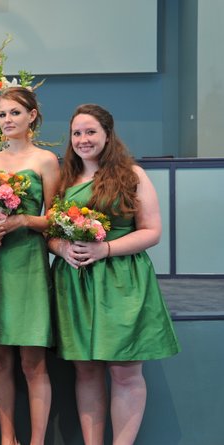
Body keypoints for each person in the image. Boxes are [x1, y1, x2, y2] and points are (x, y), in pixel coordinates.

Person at [48, 104, 180, 445]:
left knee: (124, 371)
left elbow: (151, 231)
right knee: (86, 369)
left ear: (108, 134)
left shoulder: (131, 174)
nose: (83, 139)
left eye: (90, 132)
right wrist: (61, 248)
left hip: (122, 280)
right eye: (77, 133)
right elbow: (49, 231)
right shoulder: (65, 179)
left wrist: (104, 249)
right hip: (76, 282)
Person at [0, 87, 60, 445]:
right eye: (2, 115)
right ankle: (7, 438)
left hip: (29, 265)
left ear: (32, 116)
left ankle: (36, 441)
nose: (7, 121)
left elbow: (56, 217)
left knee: (32, 363)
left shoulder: (46, 161)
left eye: (15, 113)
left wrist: (22, 222)